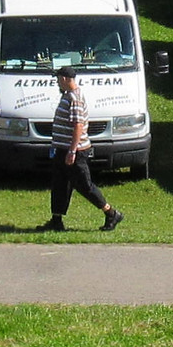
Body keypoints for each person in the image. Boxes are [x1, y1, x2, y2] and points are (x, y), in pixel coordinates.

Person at [41, 69, 122, 232]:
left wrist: (72, 151)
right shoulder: (67, 94)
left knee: (84, 185)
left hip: (75, 151)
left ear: (64, 78)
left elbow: (78, 125)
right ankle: (56, 219)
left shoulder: (74, 97)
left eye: (58, 79)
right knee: (60, 184)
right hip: (62, 149)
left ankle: (111, 213)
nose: (57, 82)